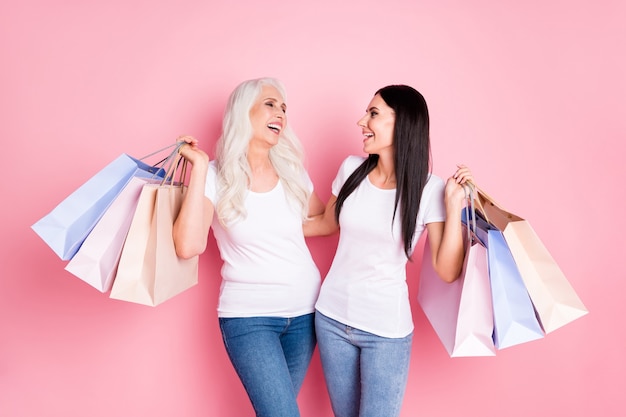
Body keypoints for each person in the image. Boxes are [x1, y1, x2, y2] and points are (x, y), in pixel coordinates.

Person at [303, 84, 474, 417]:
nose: (361, 122)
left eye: (373, 114)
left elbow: (447, 269)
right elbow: (325, 223)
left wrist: (454, 207)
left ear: (402, 123)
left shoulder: (430, 189)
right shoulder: (351, 168)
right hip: (331, 318)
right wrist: (265, 222)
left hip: (385, 331)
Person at [172, 77, 324, 417]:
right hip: (249, 318)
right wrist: (197, 168)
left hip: (306, 314)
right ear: (244, 112)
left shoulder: (292, 172)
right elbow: (188, 245)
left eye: (284, 107)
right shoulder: (214, 174)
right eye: (271, 104)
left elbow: (324, 221)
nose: (281, 113)